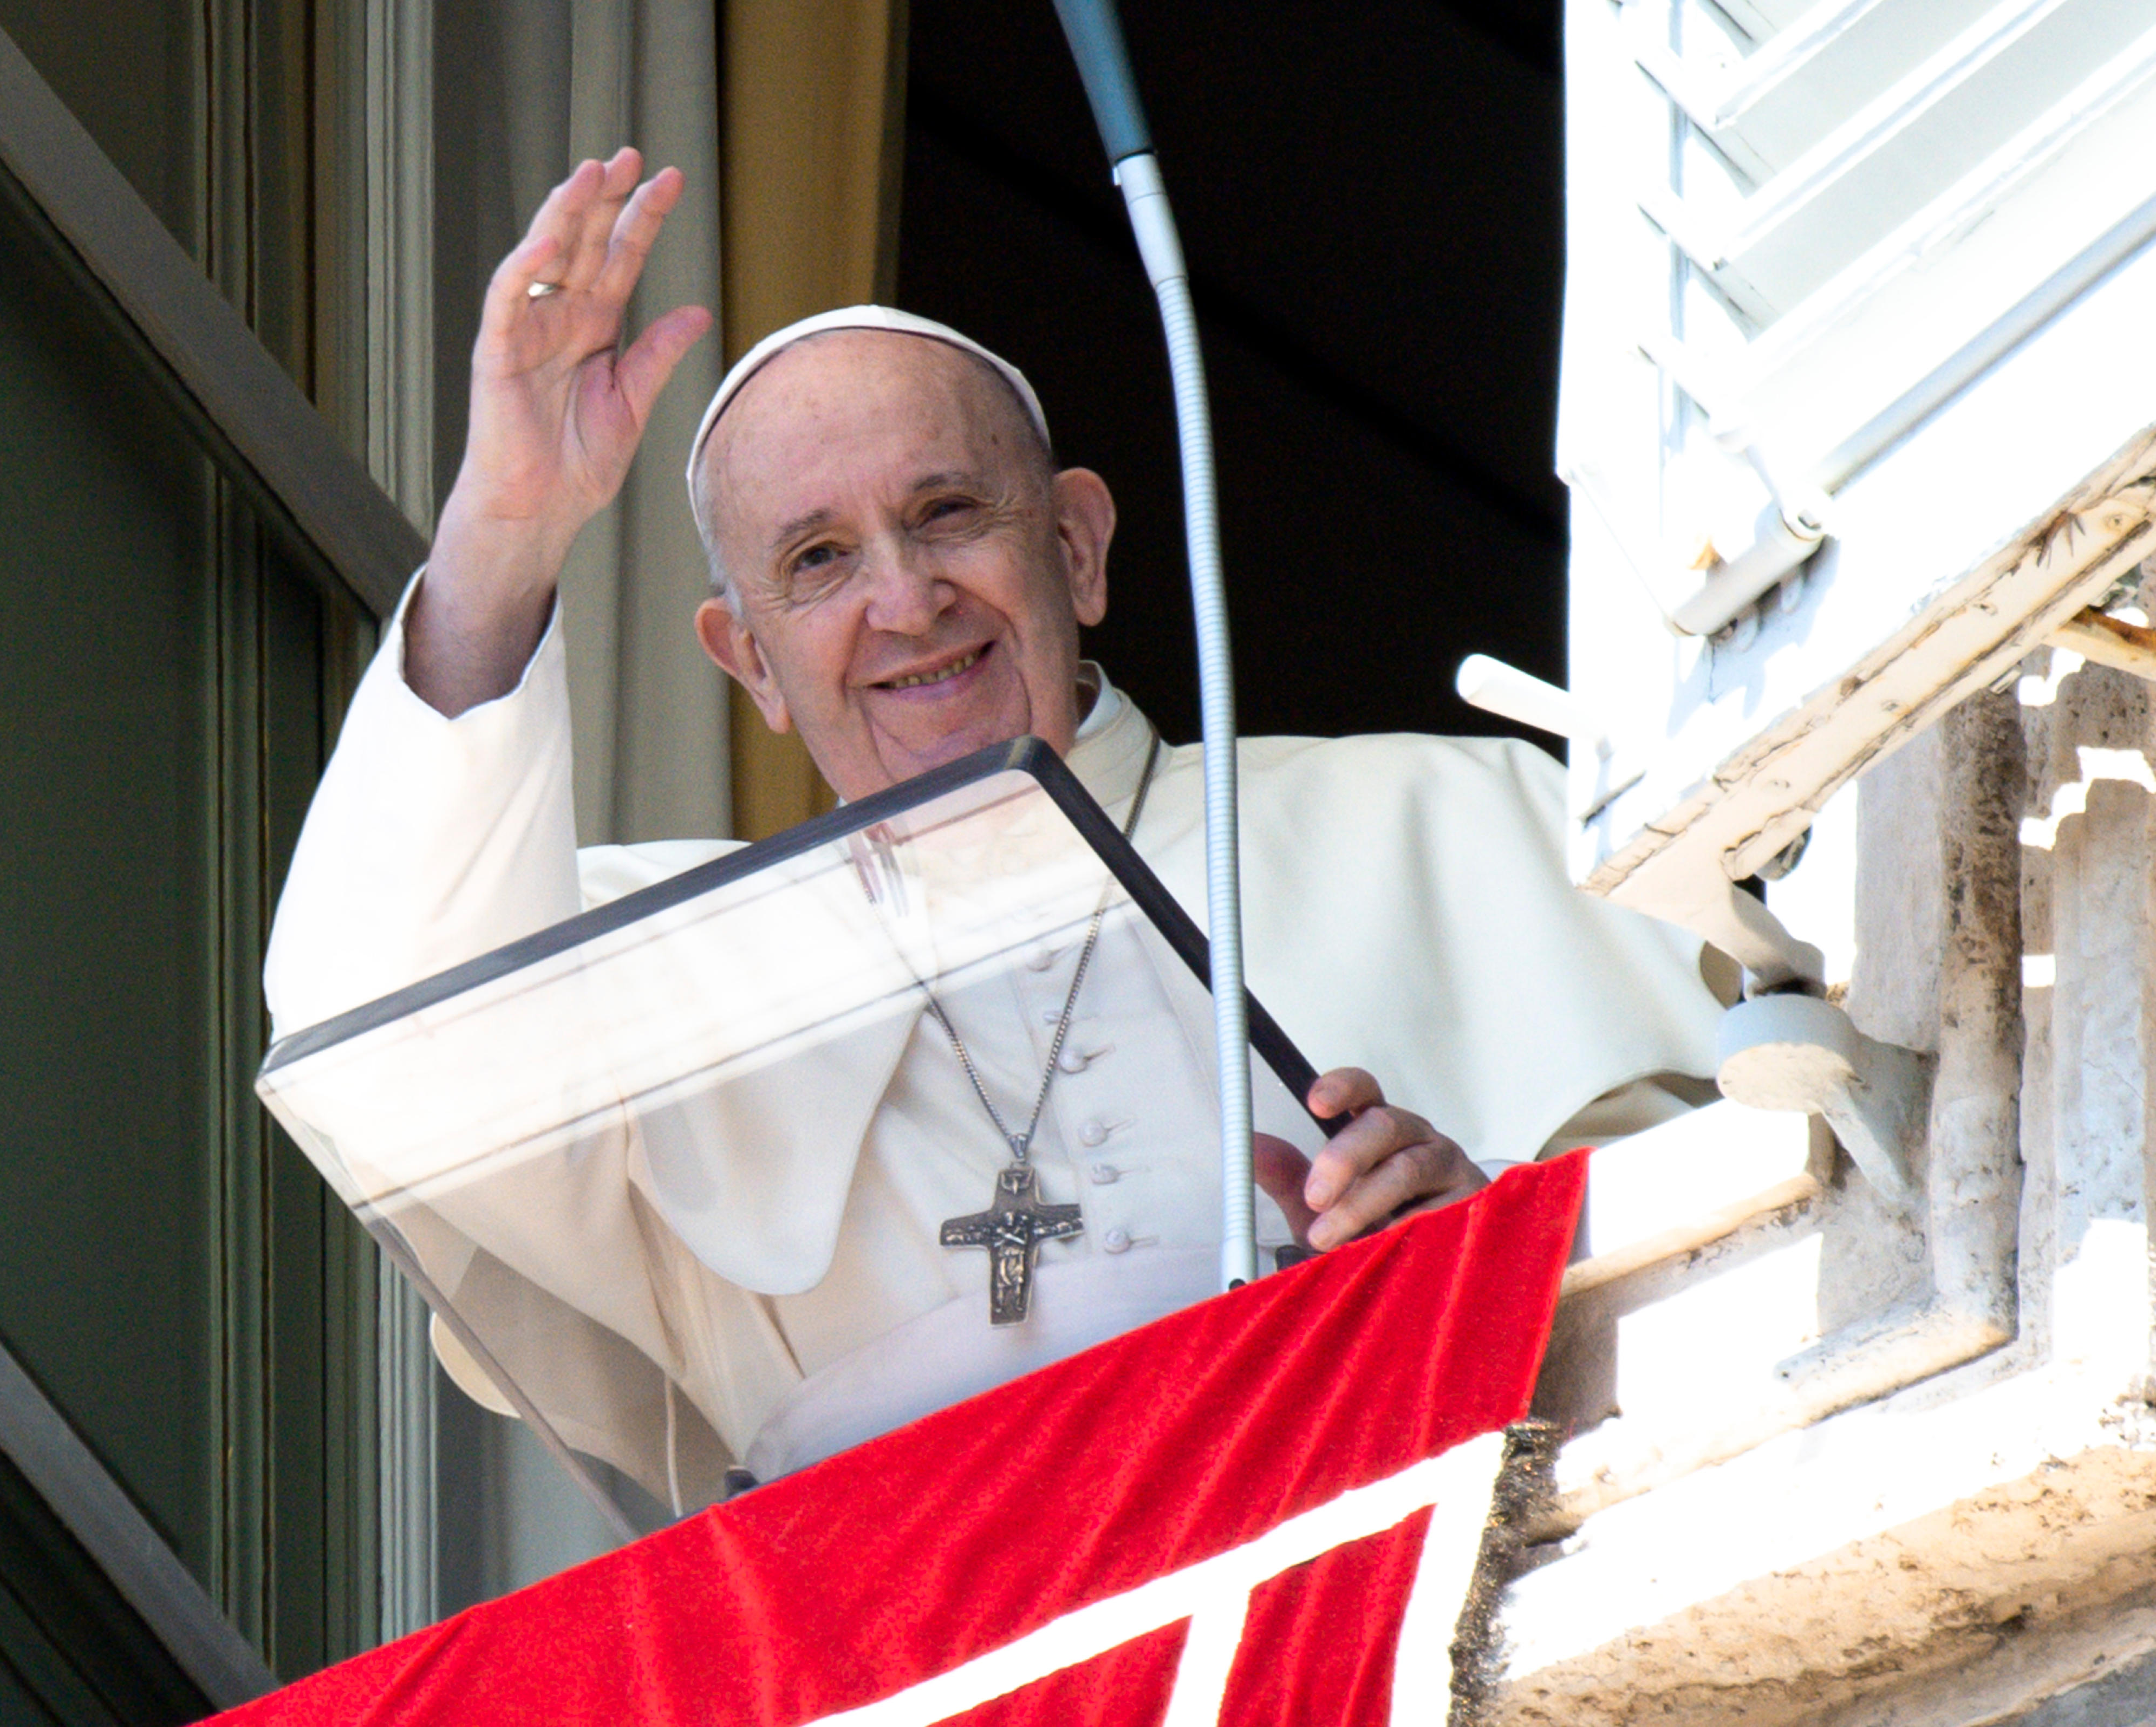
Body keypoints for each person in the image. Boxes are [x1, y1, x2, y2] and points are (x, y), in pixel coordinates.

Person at [264, 150, 1721, 1503]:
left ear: (1076, 547)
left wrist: (1503, 1244)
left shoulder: (1451, 819)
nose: (906, 603)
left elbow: (1775, 1221)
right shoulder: (664, 972)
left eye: (948, 513)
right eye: (819, 560)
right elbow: (377, 1052)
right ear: (749, 662)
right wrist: (505, 532)